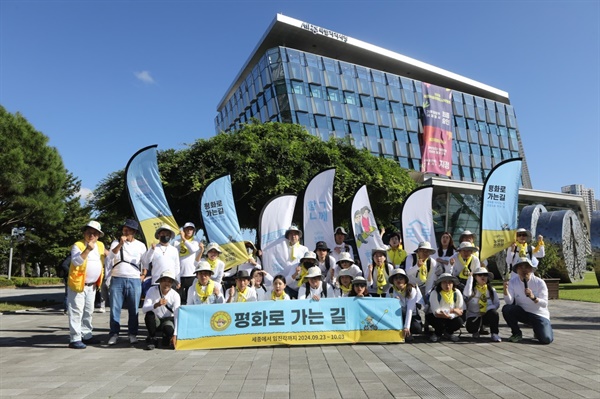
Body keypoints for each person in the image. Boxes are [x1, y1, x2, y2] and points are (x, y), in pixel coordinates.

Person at [106, 219, 147, 346]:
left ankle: (133, 334)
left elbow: (145, 262)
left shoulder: (140, 245)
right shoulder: (115, 243)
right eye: (124, 228)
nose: (125, 231)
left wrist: (143, 275)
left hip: (134, 279)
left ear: (133, 231)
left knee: (134, 308)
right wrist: (120, 244)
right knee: (115, 308)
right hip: (117, 278)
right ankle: (114, 334)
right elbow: (110, 257)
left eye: (128, 229)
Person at [66, 221, 105, 349]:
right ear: (84, 233)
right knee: (76, 311)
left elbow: (105, 259)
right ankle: (75, 338)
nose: (91, 235)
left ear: (98, 235)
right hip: (78, 285)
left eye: (94, 233)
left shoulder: (100, 245)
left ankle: (86, 335)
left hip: (92, 285)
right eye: (89, 232)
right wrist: (88, 249)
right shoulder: (78, 245)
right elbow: (76, 262)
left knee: (88, 311)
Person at [502, 257, 553, 344]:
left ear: (532, 269)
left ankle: (537, 330)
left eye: (526, 267)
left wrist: (533, 297)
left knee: (546, 339)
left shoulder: (539, 282)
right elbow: (509, 302)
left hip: (539, 314)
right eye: (520, 267)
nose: (523, 270)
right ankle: (516, 333)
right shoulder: (513, 282)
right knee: (507, 309)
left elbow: (544, 304)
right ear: (517, 270)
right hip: (523, 313)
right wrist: (505, 291)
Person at [142, 270, 181, 350]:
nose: (167, 283)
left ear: (172, 283)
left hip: (168, 319)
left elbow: (177, 315)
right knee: (149, 314)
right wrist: (156, 305)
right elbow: (144, 309)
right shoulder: (152, 290)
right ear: (160, 281)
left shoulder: (175, 295)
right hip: (156, 320)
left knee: (168, 333)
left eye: (169, 281)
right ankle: (152, 338)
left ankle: (166, 337)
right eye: (164, 280)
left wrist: (175, 335)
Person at [463, 267, 501, 342]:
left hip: (486, 314)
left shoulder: (491, 290)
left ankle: (494, 334)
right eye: (480, 275)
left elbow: (497, 303)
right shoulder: (472, 289)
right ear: (475, 277)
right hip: (474, 315)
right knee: (471, 328)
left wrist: (489, 309)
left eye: (485, 275)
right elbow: (467, 294)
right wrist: (470, 279)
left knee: (494, 314)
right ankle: (476, 330)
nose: (483, 277)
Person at [426, 273, 464, 342]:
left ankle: (449, 333)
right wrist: (453, 310)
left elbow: (460, 311)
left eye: (450, 282)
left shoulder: (457, 292)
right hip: (436, 317)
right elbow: (437, 312)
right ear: (440, 284)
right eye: (444, 282)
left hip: (451, 316)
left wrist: (450, 315)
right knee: (439, 322)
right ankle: (437, 334)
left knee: (459, 321)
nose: (447, 285)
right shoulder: (434, 293)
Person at [387, 269, 422, 341]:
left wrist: (407, 327)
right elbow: (387, 307)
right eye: (396, 278)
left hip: (411, 315)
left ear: (405, 280)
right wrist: (395, 302)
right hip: (397, 315)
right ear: (393, 281)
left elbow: (410, 309)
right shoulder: (390, 290)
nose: (398, 280)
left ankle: (408, 332)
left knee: (417, 328)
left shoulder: (411, 290)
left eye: (401, 278)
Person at [173, 222, 203, 305]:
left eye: (191, 229)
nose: (189, 230)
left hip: (192, 274)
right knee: (178, 299)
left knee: (190, 299)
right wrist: (177, 279)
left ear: (194, 231)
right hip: (180, 274)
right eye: (187, 228)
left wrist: (183, 239)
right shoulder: (176, 242)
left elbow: (192, 249)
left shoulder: (196, 241)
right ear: (183, 230)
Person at [283, 225, 308, 298]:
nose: (293, 236)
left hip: (301, 284)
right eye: (291, 234)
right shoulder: (284, 249)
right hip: (288, 283)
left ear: (299, 236)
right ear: (288, 236)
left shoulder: (304, 249)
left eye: (295, 234)